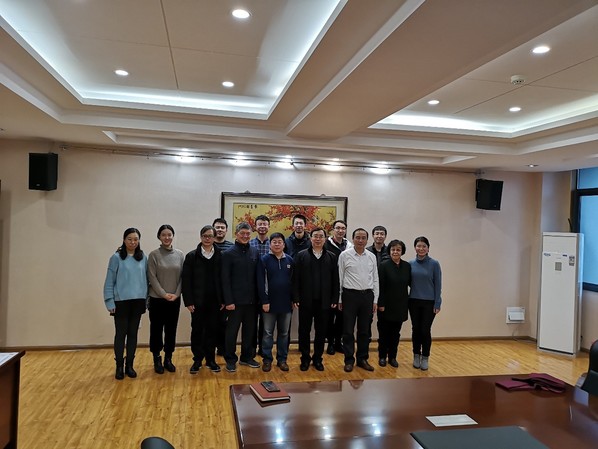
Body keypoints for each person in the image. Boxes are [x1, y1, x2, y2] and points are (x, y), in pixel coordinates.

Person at [103, 227, 148, 380]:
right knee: (121, 334)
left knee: (133, 334)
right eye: (129, 239)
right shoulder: (116, 258)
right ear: (124, 240)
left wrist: (146, 299)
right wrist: (109, 301)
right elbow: (109, 281)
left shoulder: (143, 257)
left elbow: (146, 280)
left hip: (138, 301)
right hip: (121, 302)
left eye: (136, 239)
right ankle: (119, 366)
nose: (133, 242)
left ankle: (130, 365)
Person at [293, 227, 340, 371]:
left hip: (324, 302)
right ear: (310, 238)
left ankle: (318, 359)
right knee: (304, 331)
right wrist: (296, 297)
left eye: (321, 236)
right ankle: (305, 359)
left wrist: (334, 298)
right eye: (315, 236)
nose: (318, 239)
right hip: (305, 301)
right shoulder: (301, 255)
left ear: (325, 239)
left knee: (321, 332)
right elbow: (295, 279)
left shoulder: (331, 257)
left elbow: (335, 280)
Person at [182, 225, 223, 373]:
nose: (207, 239)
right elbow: (186, 281)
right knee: (197, 331)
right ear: (200, 237)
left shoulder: (220, 255)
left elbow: (223, 279)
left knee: (212, 331)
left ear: (214, 238)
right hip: (197, 302)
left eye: (210, 236)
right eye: (205, 236)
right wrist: (188, 301)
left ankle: (210, 360)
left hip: (215, 302)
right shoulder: (192, 256)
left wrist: (223, 299)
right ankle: (197, 360)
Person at [338, 228, 379, 372]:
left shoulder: (371, 256)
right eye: (358, 237)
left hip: (367, 296)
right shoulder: (344, 255)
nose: (360, 240)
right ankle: (349, 360)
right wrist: (340, 298)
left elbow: (375, 279)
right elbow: (340, 277)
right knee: (348, 330)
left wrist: (375, 300)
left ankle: (362, 359)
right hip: (349, 296)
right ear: (353, 238)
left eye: (363, 238)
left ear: (367, 240)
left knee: (364, 331)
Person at [221, 222, 260, 372]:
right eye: (242, 233)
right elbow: (225, 279)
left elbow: (258, 277)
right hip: (234, 303)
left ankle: (246, 357)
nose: (245, 236)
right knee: (231, 332)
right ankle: (230, 359)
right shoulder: (228, 253)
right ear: (236, 234)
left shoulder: (255, 252)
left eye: (248, 234)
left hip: (251, 301)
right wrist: (228, 301)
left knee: (250, 331)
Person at [147, 224, 184, 374]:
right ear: (159, 237)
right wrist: (163, 294)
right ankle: (157, 358)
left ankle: (168, 358)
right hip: (157, 299)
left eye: (169, 235)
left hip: (174, 299)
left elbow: (182, 277)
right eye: (164, 235)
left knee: (171, 329)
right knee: (156, 330)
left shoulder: (180, 255)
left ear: (173, 236)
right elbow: (152, 277)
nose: (167, 237)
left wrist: (176, 294)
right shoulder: (153, 255)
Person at [257, 233, 294, 372]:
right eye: (274, 242)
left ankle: (282, 360)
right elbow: (261, 282)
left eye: (279, 242)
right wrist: (264, 301)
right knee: (267, 333)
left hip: (286, 304)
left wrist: (293, 299)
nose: (277, 244)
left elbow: (293, 282)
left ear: (284, 244)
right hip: (269, 304)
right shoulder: (264, 260)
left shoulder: (290, 260)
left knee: (284, 333)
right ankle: (267, 360)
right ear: (270, 244)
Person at [409, 236, 442, 371]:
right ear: (415, 248)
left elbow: (438, 284)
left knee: (425, 330)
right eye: (418, 246)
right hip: (413, 301)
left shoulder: (434, 264)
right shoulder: (410, 264)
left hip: (429, 302)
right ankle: (416, 355)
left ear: (428, 248)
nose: (421, 248)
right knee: (416, 329)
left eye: (424, 246)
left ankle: (425, 357)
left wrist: (437, 303)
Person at [377, 240, 411, 368]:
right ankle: (382, 356)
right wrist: (381, 304)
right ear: (389, 251)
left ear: (402, 251)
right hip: (385, 306)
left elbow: (410, 283)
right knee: (384, 333)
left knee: (395, 334)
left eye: (398, 250)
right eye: (393, 249)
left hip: (400, 305)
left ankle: (392, 357)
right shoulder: (383, 266)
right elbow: (380, 286)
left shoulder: (407, 266)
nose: (395, 252)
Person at [324, 219, 352, 355]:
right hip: (330, 287)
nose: (340, 231)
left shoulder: (350, 246)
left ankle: (337, 343)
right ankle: (329, 343)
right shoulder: (326, 245)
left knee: (342, 318)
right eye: (338, 228)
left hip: (345, 286)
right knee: (330, 318)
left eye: (343, 228)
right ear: (333, 230)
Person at [250, 214, 270, 357]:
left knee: (265, 323)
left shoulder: (274, 244)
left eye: (264, 224)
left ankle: (263, 349)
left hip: (268, 289)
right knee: (251, 322)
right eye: (260, 224)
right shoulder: (250, 244)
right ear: (255, 227)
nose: (262, 227)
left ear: (268, 226)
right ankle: (251, 349)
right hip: (252, 289)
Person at [212, 217, 232, 354]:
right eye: (217, 227)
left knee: (223, 323)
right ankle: (208, 349)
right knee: (209, 323)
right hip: (210, 291)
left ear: (226, 230)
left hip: (226, 292)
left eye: (222, 227)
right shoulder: (206, 245)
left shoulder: (231, 247)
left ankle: (222, 348)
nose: (219, 230)